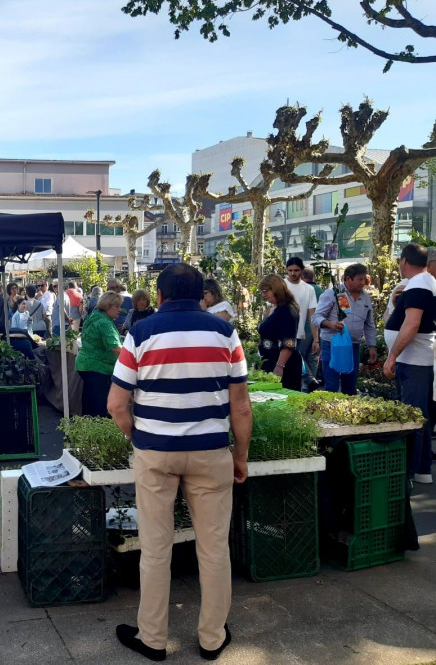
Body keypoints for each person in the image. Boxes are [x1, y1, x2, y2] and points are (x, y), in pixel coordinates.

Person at [107, 264, 251, 662]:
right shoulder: (224, 332)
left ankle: (153, 638)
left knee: (155, 548)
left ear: (159, 296)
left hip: (156, 453)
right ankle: (212, 637)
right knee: (213, 548)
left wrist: (140, 437)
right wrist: (240, 457)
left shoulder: (140, 332)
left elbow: (116, 404)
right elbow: (240, 406)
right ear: (202, 293)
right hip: (211, 453)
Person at [383, 243, 436, 484]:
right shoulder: (423, 284)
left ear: (404, 260)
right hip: (413, 360)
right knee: (417, 414)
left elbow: (412, 324)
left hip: (413, 361)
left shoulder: (420, 283)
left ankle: (412, 470)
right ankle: (420, 468)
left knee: (413, 415)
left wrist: (392, 356)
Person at [312, 263, 377, 395]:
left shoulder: (365, 297)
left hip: (353, 345)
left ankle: (347, 413)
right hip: (332, 344)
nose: (363, 282)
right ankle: (329, 413)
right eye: (360, 279)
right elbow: (316, 317)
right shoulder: (334, 294)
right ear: (348, 279)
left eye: (364, 279)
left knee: (350, 385)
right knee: (332, 385)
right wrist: (330, 324)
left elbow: (369, 324)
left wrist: (372, 346)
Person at [75, 291, 123, 417]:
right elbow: (116, 347)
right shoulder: (104, 323)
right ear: (107, 305)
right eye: (116, 306)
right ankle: (95, 435)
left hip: (86, 365)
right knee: (99, 410)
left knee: (89, 405)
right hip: (97, 367)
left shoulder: (94, 316)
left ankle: (85, 434)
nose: (120, 310)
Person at [258, 274, 302, 391]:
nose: (264, 295)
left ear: (276, 289)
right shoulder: (275, 308)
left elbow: (288, 342)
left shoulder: (287, 310)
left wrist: (279, 366)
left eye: (266, 291)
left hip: (284, 365)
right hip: (271, 361)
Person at [285, 257, 320, 390]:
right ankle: (309, 379)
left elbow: (312, 315)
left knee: (295, 365)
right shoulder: (281, 285)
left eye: (296, 270)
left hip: (299, 334)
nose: (293, 273)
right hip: (281, 333)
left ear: (302, 271)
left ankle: (307, 383)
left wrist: (316, 339)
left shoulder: (309, 289)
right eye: (290, 270)